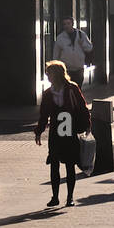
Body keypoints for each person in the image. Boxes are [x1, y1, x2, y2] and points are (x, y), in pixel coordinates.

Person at [34, 60, 91, 209]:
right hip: (55, 133)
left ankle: (70, 197)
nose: (48, 77)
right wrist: (39, 132)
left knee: (70, 164)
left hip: (70, 131)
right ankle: (55, 197)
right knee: (54, 164)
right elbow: (43, 115)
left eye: (50, 74)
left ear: (58, 74)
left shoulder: (72, 89)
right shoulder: (47, 93)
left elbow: (82, 108)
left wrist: (87, 126)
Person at [53, 17, 93, 88]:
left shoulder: (81, 35)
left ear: (72, 24)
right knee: (67, 88)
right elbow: (56, 54)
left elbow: (89, 48)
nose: (67, 26)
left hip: (79, 68)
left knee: (78, 88)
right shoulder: (60, 38)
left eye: (68, 23)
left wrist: (82, 44)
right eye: (64, 24)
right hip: (67, 69)